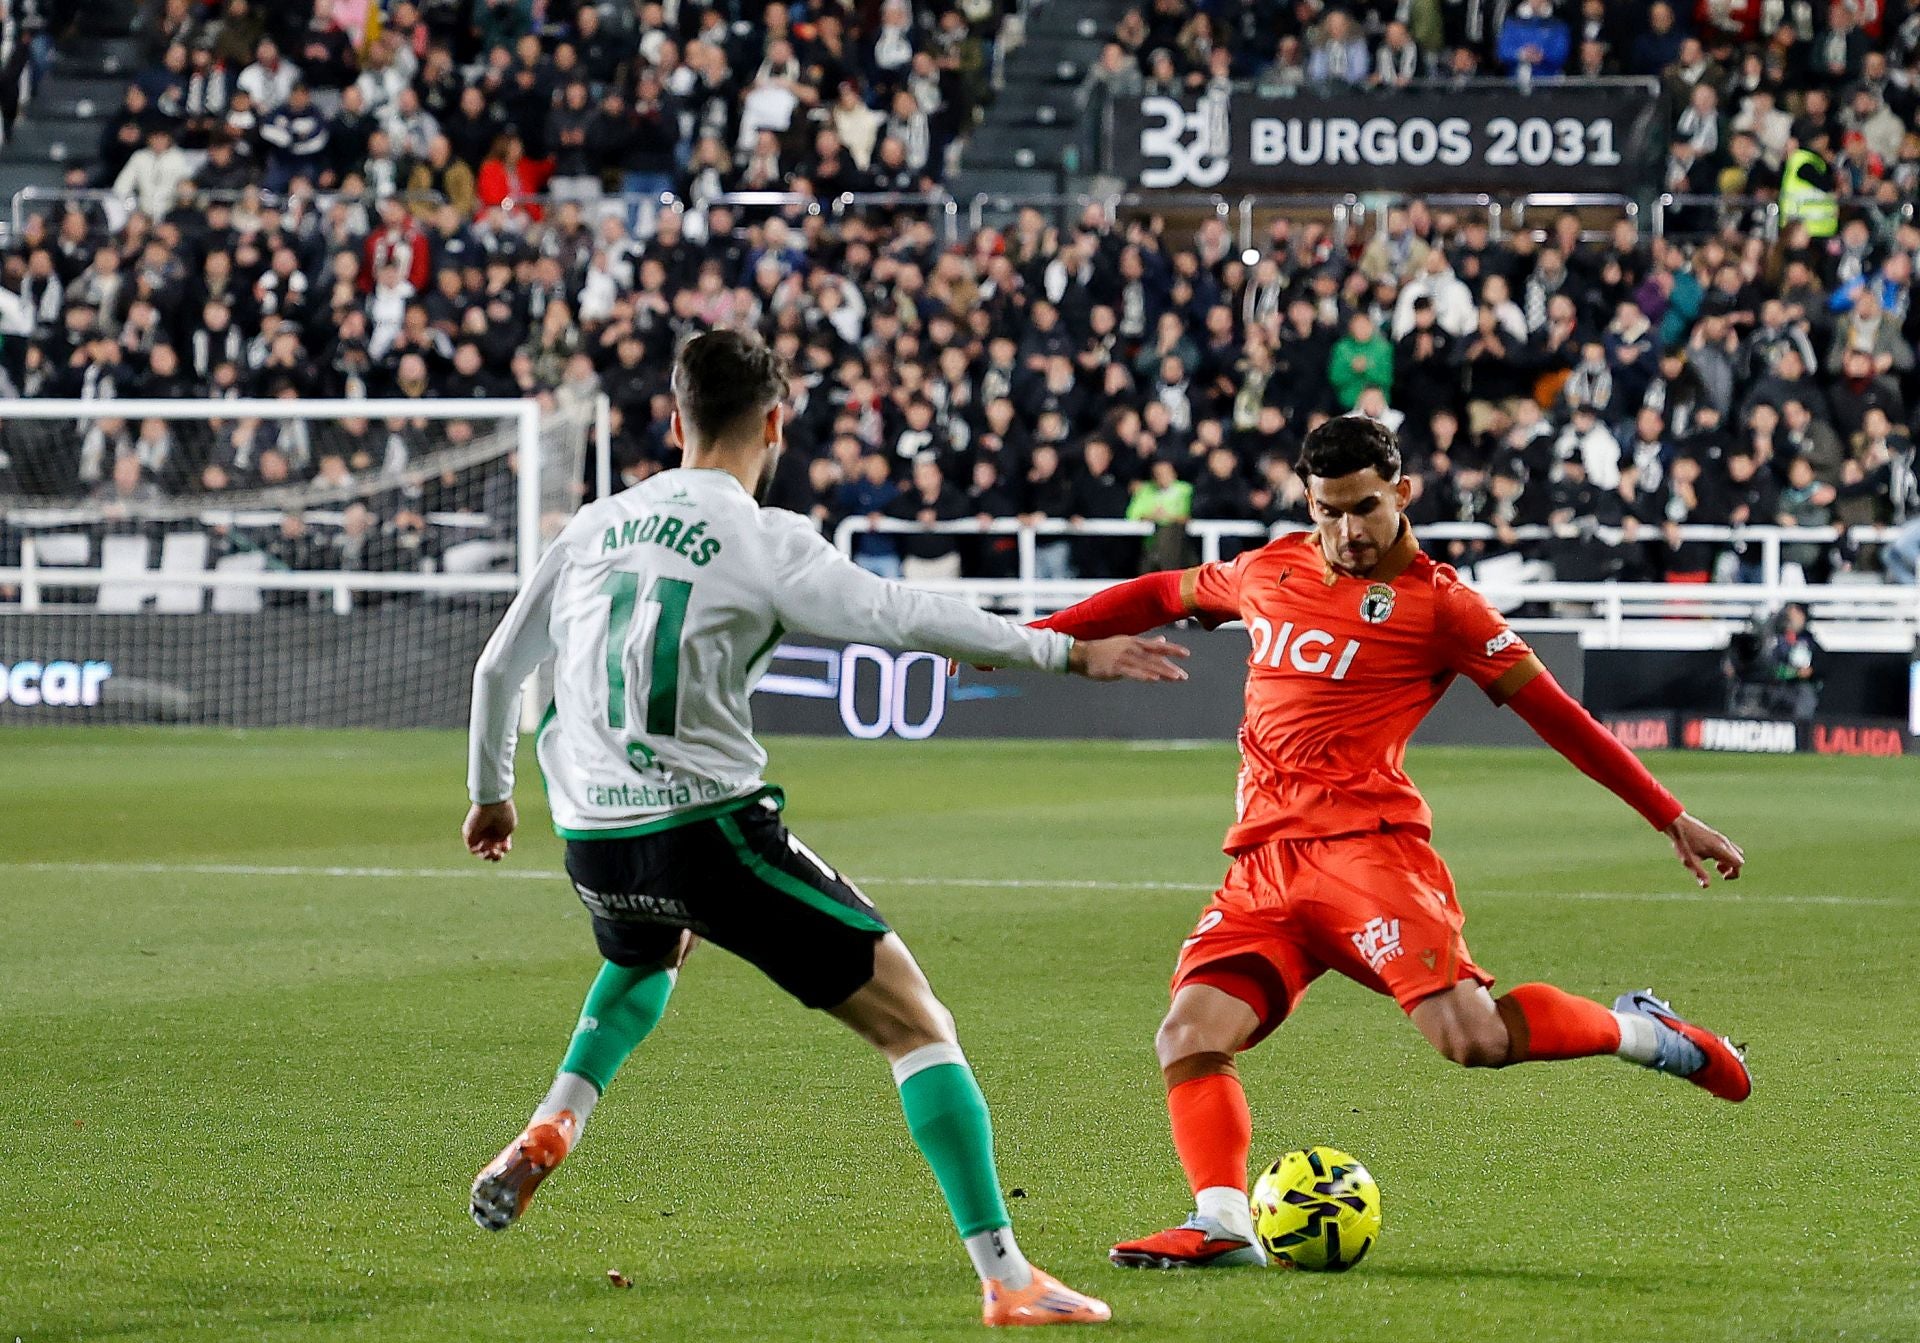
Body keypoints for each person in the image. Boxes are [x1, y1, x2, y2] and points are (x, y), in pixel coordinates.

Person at [462, 329, 1190, 1327]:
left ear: (672, 422)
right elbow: (900, 613)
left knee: (645, 952)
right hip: (704, 829)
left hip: (589, 833)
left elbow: (498, 669)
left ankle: (554, 1122)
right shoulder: (765, 540)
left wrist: (491, 794)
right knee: (917, 1021)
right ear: (776, 422)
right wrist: (1066, 655)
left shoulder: (593, 524)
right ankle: (1009, 1275)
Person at [1028, 416, 1751, 1270]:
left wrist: (1667, 812)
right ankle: (1222, 1222)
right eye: (1328, 511)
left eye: (1364, 507)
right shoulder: (1268, 569)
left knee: (1471, 1038)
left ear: (1402, 492)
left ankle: (1649, 1032)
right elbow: (1160, 592)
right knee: (1188, 1031)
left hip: (1368, 855)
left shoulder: (1444, 607)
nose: (1347, 531)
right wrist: (1039, 638)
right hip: (1264, 866)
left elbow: (1560, 718)